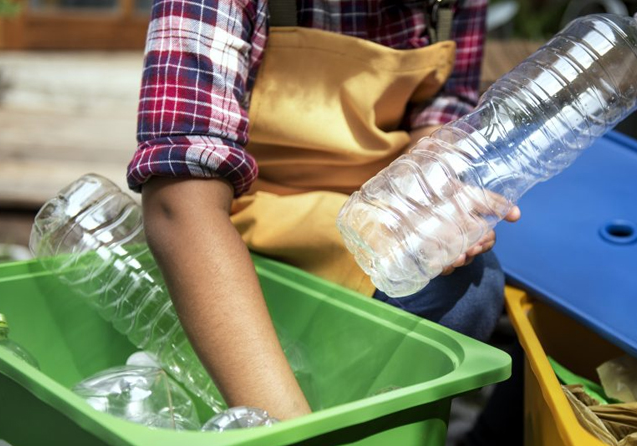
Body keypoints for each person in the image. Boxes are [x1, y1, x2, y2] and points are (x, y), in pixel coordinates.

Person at [127, 0, 519, 421]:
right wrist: (287, 429)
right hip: (239, 223)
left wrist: (427, 195)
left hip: (367, 214)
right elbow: (179, 205)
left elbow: (442, 109)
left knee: (470, 288)